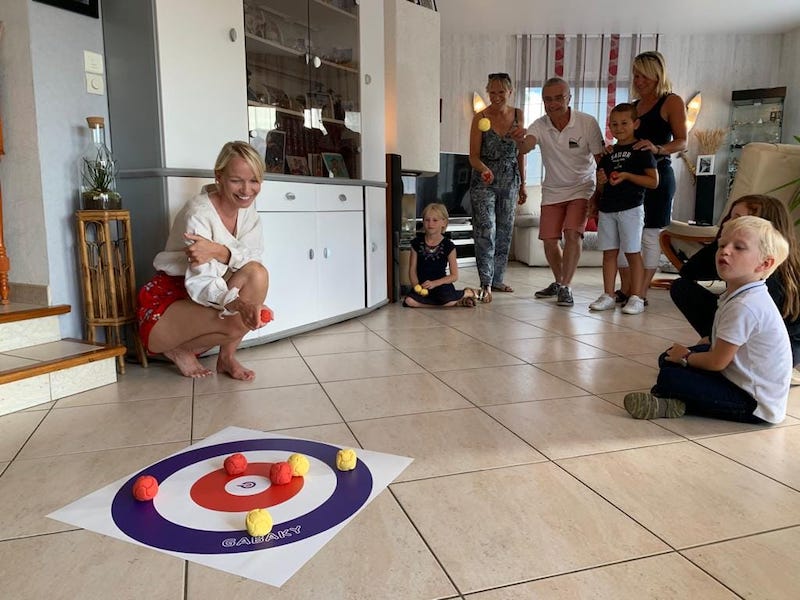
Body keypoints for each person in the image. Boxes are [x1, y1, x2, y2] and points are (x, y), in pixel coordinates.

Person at [624, 216, 791, 424]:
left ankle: (675, 403)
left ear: (764, 264)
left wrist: (686, 356)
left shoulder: (745, 305)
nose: (725, 251)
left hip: (754, 404)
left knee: (671, 377)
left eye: (739, 247)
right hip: (739, 377)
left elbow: (717, 362)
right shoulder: (742, 294)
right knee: (666, 358)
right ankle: (681, 396)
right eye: (722, 244)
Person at [136, 141, 270, 380]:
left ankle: (227, 358)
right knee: (238, 321)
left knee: (257, 273)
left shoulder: (248, 212)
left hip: (206, 297)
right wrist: (240, 306)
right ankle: (178, 349)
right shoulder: (198, 213)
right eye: (236, 180)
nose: (246, 190)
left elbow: (253, 257)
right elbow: (203, 282)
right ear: (219, 177)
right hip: (171, 301)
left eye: (254, 181)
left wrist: (220, 252)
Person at [670, 194, 800, 368]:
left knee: (674, 367)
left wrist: (692, 356)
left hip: (776, 353)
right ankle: (721, 346)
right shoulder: (738, 259)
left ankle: (722, 347)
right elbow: (690, 271)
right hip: (746, 343)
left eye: (738, 219)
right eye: (729, 217)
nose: (727, 223)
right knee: (681, 288)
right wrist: (726, 243)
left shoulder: (769, 280)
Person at [520, 77, 605, 307]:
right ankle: (559, 282)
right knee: (549, 240)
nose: (553, 104)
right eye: (548, 99)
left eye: (559, 98)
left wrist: (597, 195)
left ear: (569, 98)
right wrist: (519, 140)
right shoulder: (539, 124)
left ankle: (566, 286)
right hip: (553, 190)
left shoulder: (587, 123)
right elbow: (527, 145)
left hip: (581, 188)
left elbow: (602, 162)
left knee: (572, 234)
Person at [616, 50, 687, 306]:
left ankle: (641, 292)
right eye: (635, 75)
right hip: (632, 181)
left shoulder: (671, 102)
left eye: (644, 75)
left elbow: (682, 141)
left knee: (649, 236)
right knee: (628, 236)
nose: (639, 80)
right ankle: (627, 289)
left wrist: (658, 149)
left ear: (657, 75)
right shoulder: (633, 107)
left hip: (659, 177)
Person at [589, 103, 658, 315]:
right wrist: (601, 181)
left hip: (631, 208)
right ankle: (608, 294)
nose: (618, 128)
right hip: (608, 208)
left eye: (624, 123)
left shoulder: (642, 151)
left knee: (632, 252)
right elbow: (602, 185)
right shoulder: (608, 153)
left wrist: (627, 176)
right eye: (614, 124)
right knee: (609, 253)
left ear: (635, 124)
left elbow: (653, 181)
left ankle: (636, 296)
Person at [468, 72, 529, 304]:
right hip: (484, 179)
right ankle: (485, 280)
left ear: (510, 92)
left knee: (504, 231)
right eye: (492, 92)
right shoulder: (479, 117)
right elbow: (473, 156)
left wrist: (522, 183)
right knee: (486, 229)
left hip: (510, 179)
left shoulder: (518, 115)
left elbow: (521, 152)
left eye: (501, 92)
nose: (496, 96)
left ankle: (498, 279)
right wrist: (483, 168)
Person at [404, 203, 477, 308]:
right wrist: (416, 286)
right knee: (409, 301)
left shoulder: (449, 246)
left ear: (444, 222)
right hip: (423, 286)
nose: (430, 224)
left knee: (444, 297)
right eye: (427, 220)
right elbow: (412, 269)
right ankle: (452, 303)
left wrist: (435, 283)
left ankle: (467, 293)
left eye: (435, 220)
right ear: (423, 221)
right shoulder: (416, 243)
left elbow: (454, 276)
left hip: (441, 285)